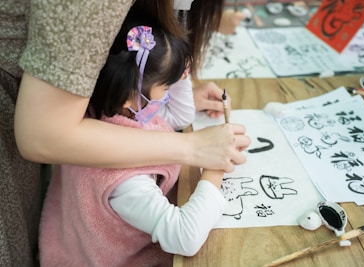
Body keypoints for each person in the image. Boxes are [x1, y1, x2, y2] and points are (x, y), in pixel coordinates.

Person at [1, 0, 249, 266]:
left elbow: (179, 116)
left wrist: (179, 71)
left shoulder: (106, 111)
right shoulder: (127, 180)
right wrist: (214, 170)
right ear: (134, 97)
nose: (168, 98)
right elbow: (184, 236)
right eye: (167, 90)